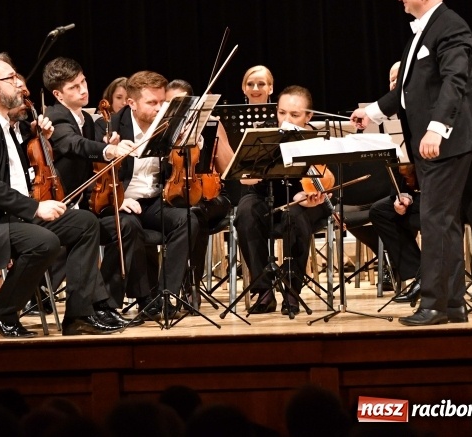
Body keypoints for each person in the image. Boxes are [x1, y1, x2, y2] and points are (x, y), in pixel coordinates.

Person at [0, 52, 121, 336]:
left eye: (17, 76)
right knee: (44, 241)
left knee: (85, 224)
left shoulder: (14, 127)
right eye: (11, 78)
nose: (20, 83)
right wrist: (35, 208)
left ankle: (80, 314)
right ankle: (2, 312)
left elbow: (22, 171)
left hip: (15, 216)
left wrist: (38, 138)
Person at [350, 0, 472, 326]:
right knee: (445, 222)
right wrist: (374, 112)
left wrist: (436, 129)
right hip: (434, 143)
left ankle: (433, 306)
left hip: (445, 143)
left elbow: (456, 81)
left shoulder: (451, 27)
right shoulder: (423, 31)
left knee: (436, 221)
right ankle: (452, 305)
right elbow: (411, 90)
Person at [43, 57, 146, 325]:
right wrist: (107, 149)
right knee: (88, 227)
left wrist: (115, 199)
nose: (83, 89)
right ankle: (86, 310)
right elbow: (73, 145)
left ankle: (107, 306)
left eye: (83, 82)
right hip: (58, 208)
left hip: (84, 206)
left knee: (127, 226)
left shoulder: (86, 119)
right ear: (58, 94)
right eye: (74, 87)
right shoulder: (55, 117)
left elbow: (93, 170)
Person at [104, 70, 200, 318]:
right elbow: (97, 174)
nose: (160, 109)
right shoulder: (110, 125)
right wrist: (120, 199)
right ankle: (112, 304)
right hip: (123, 202)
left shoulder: (169, 124)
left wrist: (189, 142)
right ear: (132, 103)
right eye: (152, 103)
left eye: (162, 102)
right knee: (129, 226)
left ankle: (165, 296)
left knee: (188, 219)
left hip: (156, 200)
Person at [233, 86, 329, 315]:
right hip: (265, 196)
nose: (286, 120)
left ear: (309, 116)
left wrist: (309, 195)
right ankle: (263, 289)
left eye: (294, 115)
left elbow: (324, 181)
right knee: (245, 211)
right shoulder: (263, 137)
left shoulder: (317, 139)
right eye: (282, 113)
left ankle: (291, 290)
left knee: (294, 215)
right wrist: (248, 175)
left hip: (303, 203)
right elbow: (245, 178)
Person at [164, 79, 233, 306]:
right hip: (172, 198)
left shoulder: (210, 126)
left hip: (210, 197)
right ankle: (174, 288)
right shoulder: (161, 132)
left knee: (197, 212)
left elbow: (229, 168)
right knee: (189, 214)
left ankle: (192, 284)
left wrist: (212, 136)